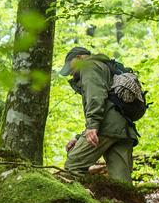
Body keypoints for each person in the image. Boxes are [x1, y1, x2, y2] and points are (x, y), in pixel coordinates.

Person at [58, 46, 137, 184]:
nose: (70, 73)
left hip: (106, 127)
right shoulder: (104, 66)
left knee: (73, 166)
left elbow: (96, 97)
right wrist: (79, 137)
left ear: (79, 58)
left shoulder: (88, 66)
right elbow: (107, 101)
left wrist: (92, 126)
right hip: (124, 127)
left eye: (70, 66)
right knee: (121, 182)